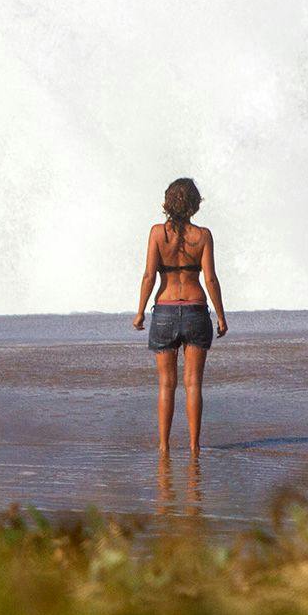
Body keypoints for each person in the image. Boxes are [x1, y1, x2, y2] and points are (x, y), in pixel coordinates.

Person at [133, 177, 228, 458]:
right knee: (193, 384)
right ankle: (194, 447)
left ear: (167, 202)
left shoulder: (157, 234)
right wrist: (221, 316)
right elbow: (210, 278)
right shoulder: (203, 236)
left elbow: (150, 275)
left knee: (166, 384)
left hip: (164, 310)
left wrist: (139, 312)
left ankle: (163, 447)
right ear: (195, 204)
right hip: (196, 310)